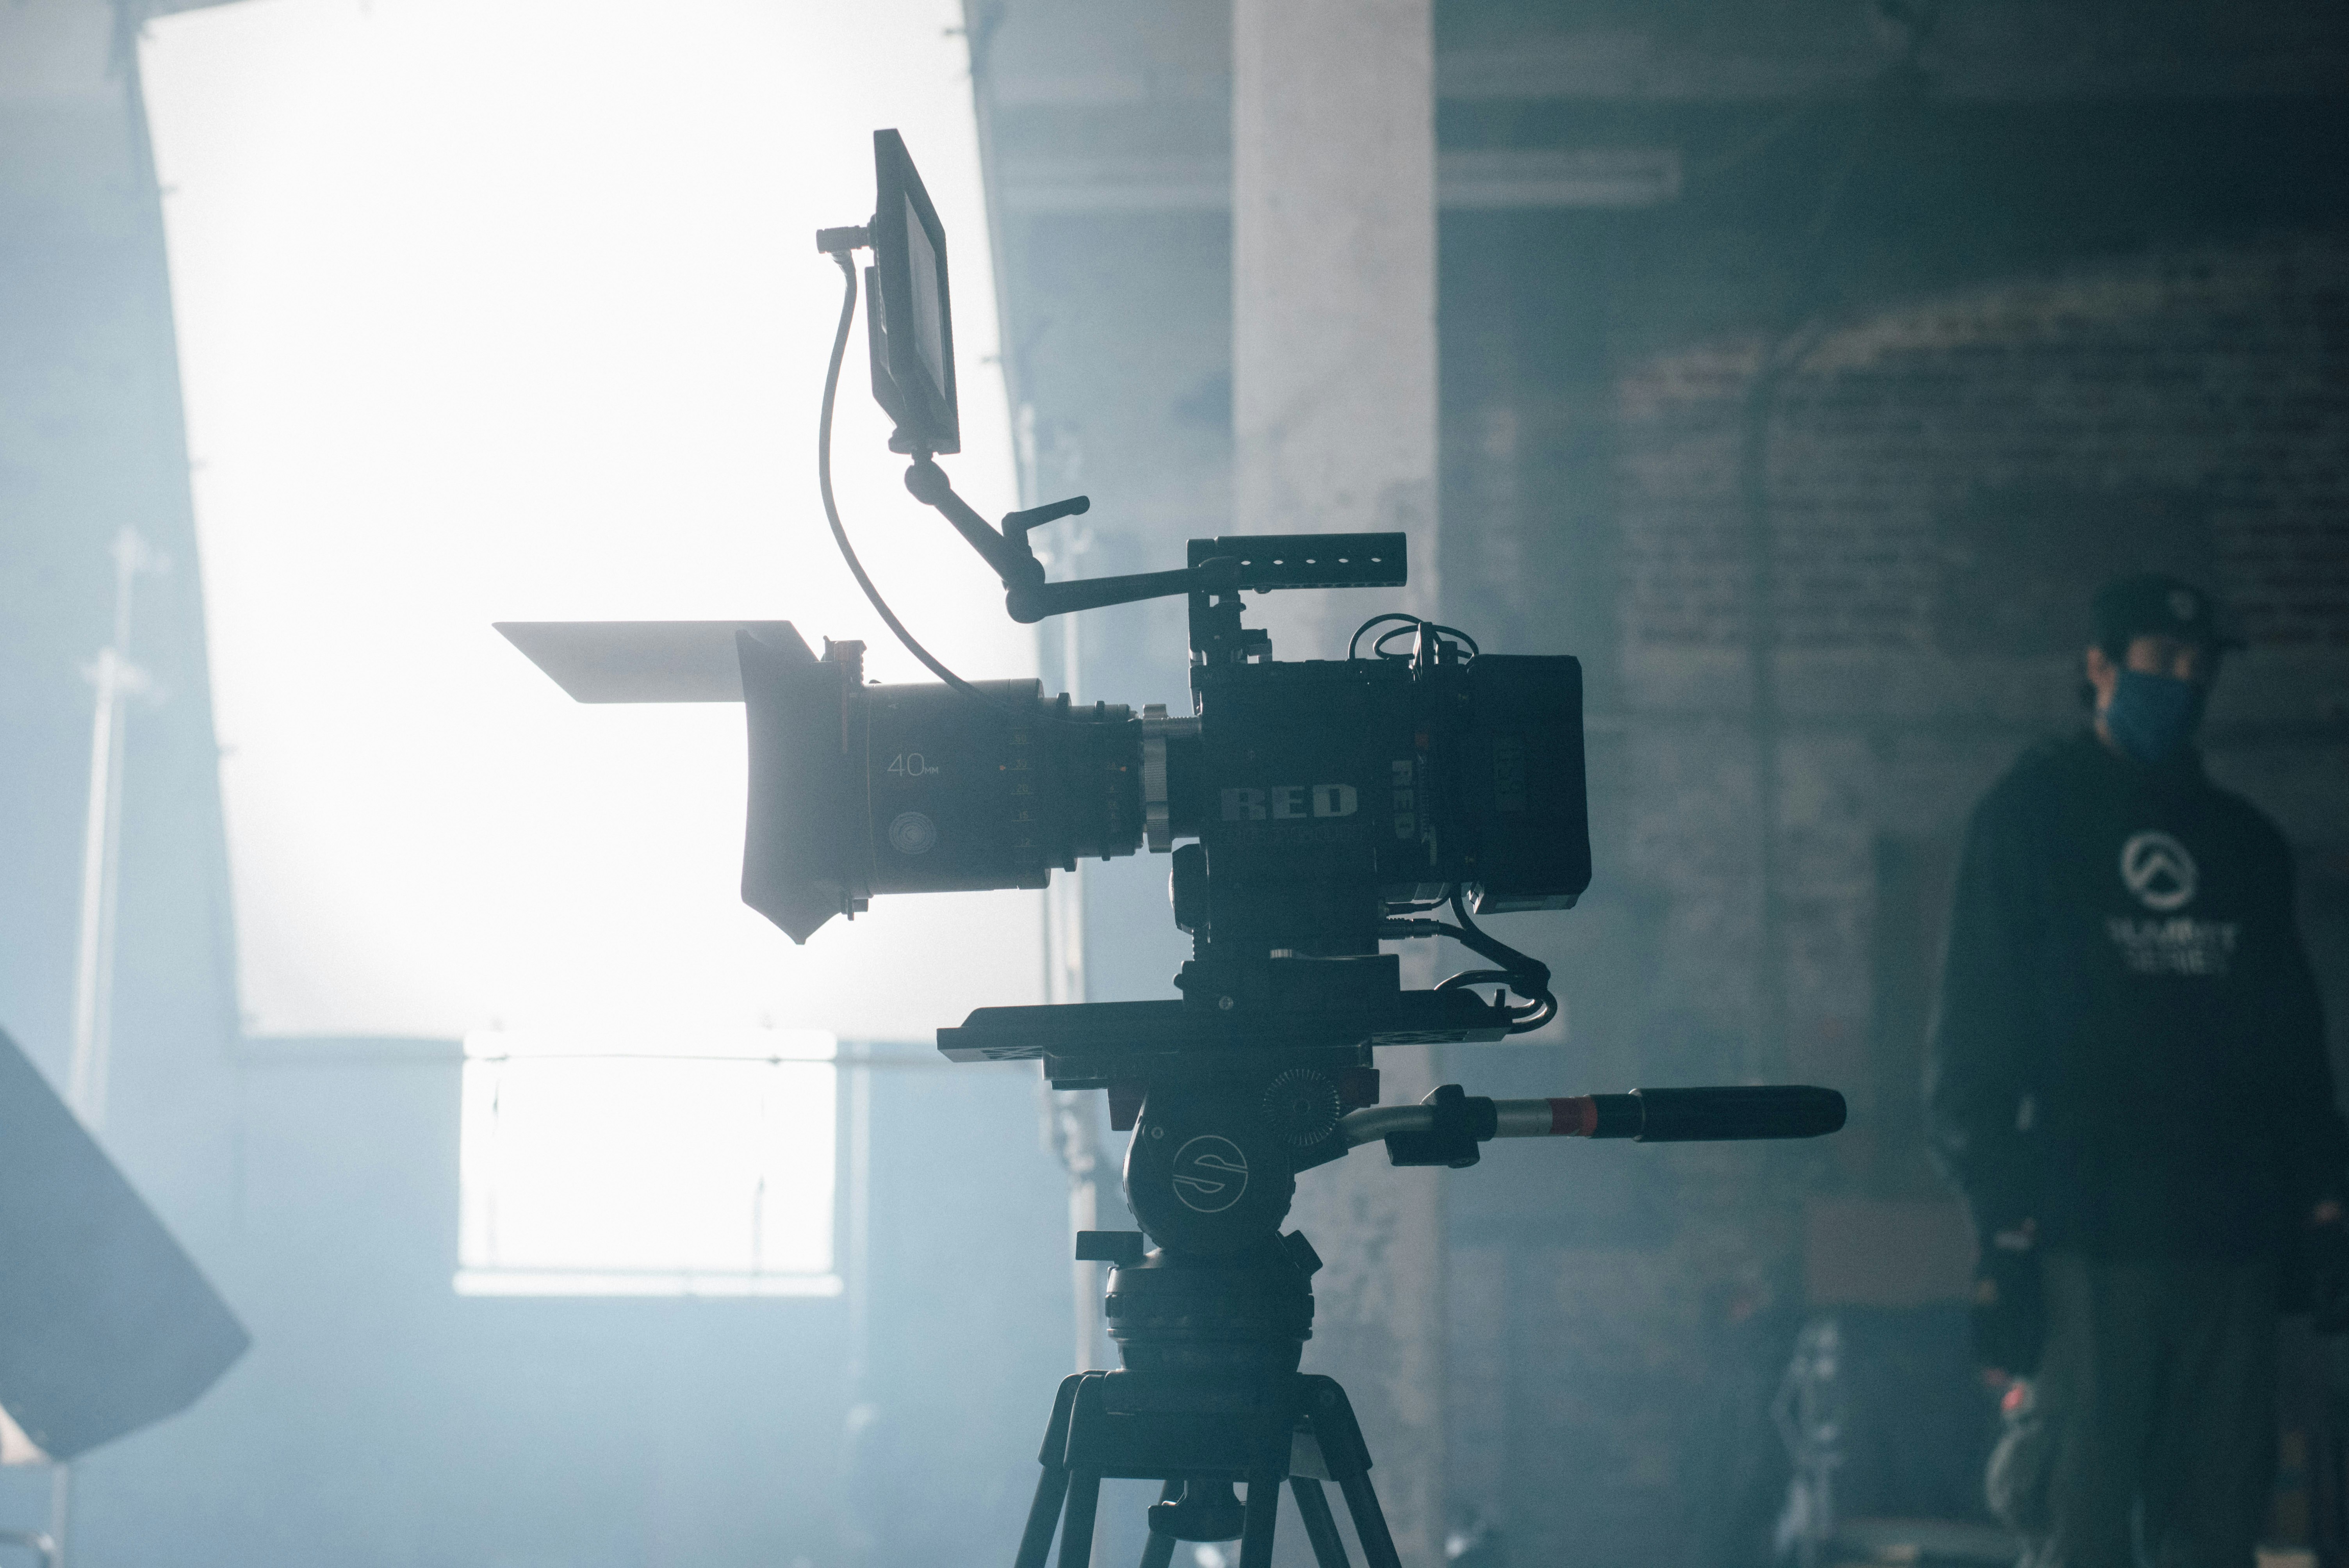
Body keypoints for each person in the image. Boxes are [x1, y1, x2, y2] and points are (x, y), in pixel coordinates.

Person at [1925, 571, 2349, 1568]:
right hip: (2089, 1232)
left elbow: (2291, 1041)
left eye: (2199, 668)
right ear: (2098, 666)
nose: (2185, 681)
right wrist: (2000, 1212)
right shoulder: (2030, 819)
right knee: (2077, 1512)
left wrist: (2322, 1201)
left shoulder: (2239, 843)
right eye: (2163, 661)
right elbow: (1975, 1031)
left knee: (2215, 1519)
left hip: (2230, 1237)